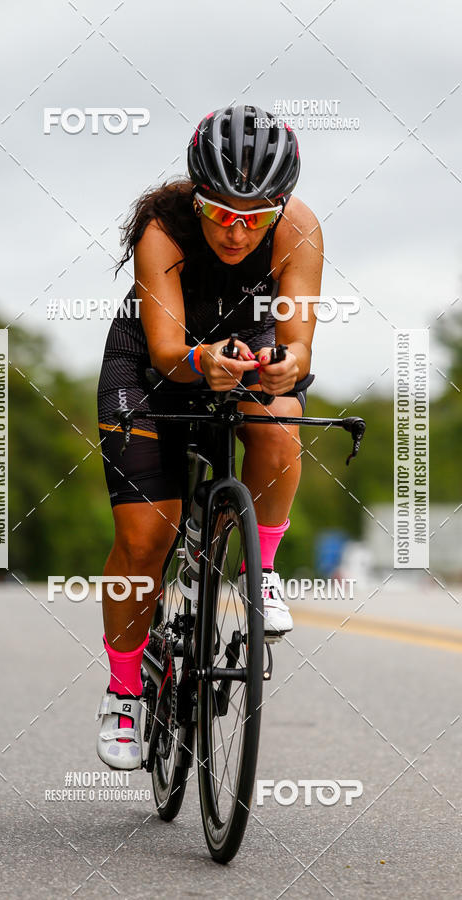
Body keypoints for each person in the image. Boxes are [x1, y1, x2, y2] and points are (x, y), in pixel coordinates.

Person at [95, 104, 323, 769]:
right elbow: (167, 351)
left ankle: (261, 571)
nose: (236, 231)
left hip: (246, 345)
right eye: (221, 212)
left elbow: (300, 342)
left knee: (279, 428)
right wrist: (201, 363)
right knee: (144, 539)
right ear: (197, 198)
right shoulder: (163, 230)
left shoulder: (300, 228)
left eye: (256, 218)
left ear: (281, 207)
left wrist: (287, 363)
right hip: (148, 365)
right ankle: (125, 692)